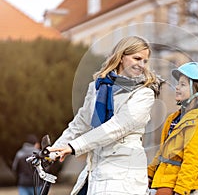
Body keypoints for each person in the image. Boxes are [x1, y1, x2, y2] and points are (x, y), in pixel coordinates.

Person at [48, 36, 161, 195]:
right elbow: (80, 124)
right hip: (96, 170)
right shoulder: (97, 87)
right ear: (121, 57)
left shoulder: (144, 94)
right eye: (137, 58)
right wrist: (52, 152)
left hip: (123, 175)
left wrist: (74, 147)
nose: (141, 65)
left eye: (145, 61)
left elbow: (116, 127)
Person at [148, 62, 198, 195]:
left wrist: (181, 191)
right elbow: (163, 152)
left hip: (177, 185)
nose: (177, 87)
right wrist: (149, 173)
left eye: (183, 84)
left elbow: (193, 161)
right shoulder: (173, 118)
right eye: (178, 83)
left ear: (197, 91)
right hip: (163, 179)